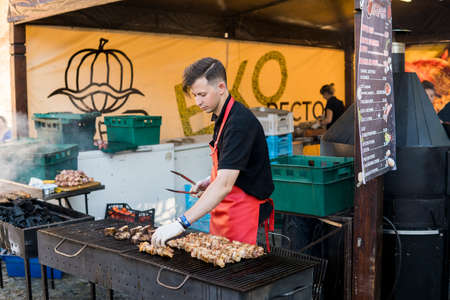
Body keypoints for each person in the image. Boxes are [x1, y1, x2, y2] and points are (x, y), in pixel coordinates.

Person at [152, 57, 274, 247]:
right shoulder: (221, 117)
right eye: (195, 96)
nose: (198, 102)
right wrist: (210, 180)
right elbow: (234, 166)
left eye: (202, 94)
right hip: (224, 213)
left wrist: (181, 223)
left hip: (243, 215)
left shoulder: (239, 123)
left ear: (221, 87)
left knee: (240, 273)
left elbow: (225, 184)